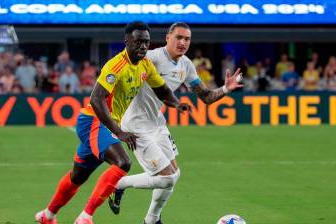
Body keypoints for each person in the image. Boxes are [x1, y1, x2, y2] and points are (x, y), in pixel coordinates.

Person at [35, 21, 190, 224]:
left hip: (104, 126)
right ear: (127, 41)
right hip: (93, 121)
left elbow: (162, 90)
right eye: (138, 42)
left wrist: (177, 104)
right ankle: (85, 217)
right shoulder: (116, 66)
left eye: (147, 42)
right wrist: (119, 131)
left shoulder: (145, 65)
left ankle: (48, 215)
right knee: (123, 162)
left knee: (78, 176)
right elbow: (96, 99)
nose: (143, 46)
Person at [108, 22, 243, 224]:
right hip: (135, 125)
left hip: (157, 123)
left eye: (187, 39)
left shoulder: (186, 65)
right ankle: (118, 184)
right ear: (167, 38)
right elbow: (120, 74)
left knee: (174, 174)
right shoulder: (150, 57)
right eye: (178, 37)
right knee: (167, 178)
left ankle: (151, 220)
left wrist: (225, 89)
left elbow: (205, 96)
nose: (183, 42)